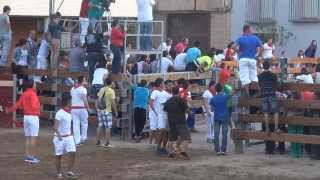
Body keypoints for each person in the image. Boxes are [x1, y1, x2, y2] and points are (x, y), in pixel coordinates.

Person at [6, 79, 41, 163]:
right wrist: (38, 106)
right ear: (32, 85)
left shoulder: (24, 94)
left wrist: (10, 110)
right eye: (35, 83)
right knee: (33, 138)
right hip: (33, 117)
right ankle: (32, 157)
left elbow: (18, 105)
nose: (35, 85)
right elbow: (34, 105)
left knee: (28, 138)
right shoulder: (33, 94)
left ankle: (28, 156)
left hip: (26, 117)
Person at [258, 61, 280, 154]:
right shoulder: (273, 75)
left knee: (266, 112)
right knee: (275, 111)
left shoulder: (259, 76)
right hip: (271, 94)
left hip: (263, 94)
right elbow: (277, 85)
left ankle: (267, 128)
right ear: (269, 66)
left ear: (263, 67)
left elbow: (259, 86)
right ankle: (276, 128)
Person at [53, 93, 77, 179]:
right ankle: (59, 173)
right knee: (58, 155)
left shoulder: (69, 112)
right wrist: (59, 136)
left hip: (68, 136)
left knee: (73, 152)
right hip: (60, 138)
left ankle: (69, 171)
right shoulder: (59, 113)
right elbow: (55, 127)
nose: (72, 102)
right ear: (67, 102)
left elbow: (69, 125)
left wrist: (71, 134)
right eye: (71, 101)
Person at [164, 86, 191, 160]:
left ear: (172, 92)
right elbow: (186, 110)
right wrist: (190, 113)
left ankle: (171, 153)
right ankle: (182, 151)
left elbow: (165, 110)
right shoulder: (181, 100)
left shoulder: (168, 101)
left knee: (172, 139)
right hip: (180, 121)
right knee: (186, 138)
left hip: (171, 121)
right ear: (179, 92)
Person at [236, 24, 262, 95]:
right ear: (248, 30)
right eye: (251, 29)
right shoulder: (255, 38)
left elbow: (234, 46)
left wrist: (239, 52)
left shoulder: (240, 38)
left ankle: (247, 94)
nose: (252, 31)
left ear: (244, 30)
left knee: (245, 78)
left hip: (243, 59)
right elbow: (262, 47)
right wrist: (258, 55)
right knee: (254, 76)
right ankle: (259, 92)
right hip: (252, 59)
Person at [149, 78, 171, 156]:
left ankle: (163, 148)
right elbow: (150, 102)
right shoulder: (155, 92)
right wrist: (155, 112)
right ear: (160, 84)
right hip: (160, 115)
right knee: (161, 131)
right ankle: (158, 148)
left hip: (165, 114)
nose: (163, 84)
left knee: (166, 132)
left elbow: (172, 97)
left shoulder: (164, 92)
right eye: (162, 83)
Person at [96, 78, 118, 148]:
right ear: (111, 83)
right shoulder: (111, 91)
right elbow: (113, 103)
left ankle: (98, 142)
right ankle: (107, 143)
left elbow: (98, 99)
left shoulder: (102, 89)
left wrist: (98, 108)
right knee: (108, 127)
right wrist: (116, 111)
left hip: (100, 110)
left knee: (100, 125)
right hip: (107, 111)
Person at [210, 83, 229, 155]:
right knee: (224, 134)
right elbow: (232, 93)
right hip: (225, 117)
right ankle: (223, 150)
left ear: (216, 90)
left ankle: (217, 150)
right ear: (222, 89)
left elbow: (211, 109)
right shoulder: (225, 97)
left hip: (217, 117)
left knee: (216, 134)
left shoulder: (213, 99)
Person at [71, 76, 90, 146]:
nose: (86, 82)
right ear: (82, 81)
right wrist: (88, 108)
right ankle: (83, 138)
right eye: (85, 80)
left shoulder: (72, 89)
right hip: (81, 108)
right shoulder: (83, 89)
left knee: (75, 125)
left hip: (73, 109)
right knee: (84, 123)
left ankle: (77, 141)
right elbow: (85, 99)